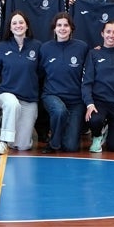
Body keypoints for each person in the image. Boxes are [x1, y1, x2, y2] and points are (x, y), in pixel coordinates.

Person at [39, 13, 89, 153]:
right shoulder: (45, 48)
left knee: (71, 147)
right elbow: (39, 73)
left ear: (71, 28)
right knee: (59, 111)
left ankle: (61, 136)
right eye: (59, 25)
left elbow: (91, 69)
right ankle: (54, 143)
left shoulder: (82, 47)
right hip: (52, 95)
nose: (62, 28)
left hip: (75, 100)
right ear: (54, 28)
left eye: (66, 25)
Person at [0, 12, 41, 153]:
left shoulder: (37, 46)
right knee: (12, 104)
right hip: (6, 94)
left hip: (29, 98)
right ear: (10, 27)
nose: (18, 25)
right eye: (14, 23)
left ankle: (15, 131)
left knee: (22, 146)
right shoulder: (2, 47)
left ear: (26, 26)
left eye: (21, 22)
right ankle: (3, 141)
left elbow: (42, 70)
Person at [82, 21, 114, 153]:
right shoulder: (93, 54)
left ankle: (110, 128)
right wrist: (89, 104)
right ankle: (97, 135)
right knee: (94, 120)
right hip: (100, 102)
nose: (111, 35)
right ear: (102, 34)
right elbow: (87, 82)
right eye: (108, 32)